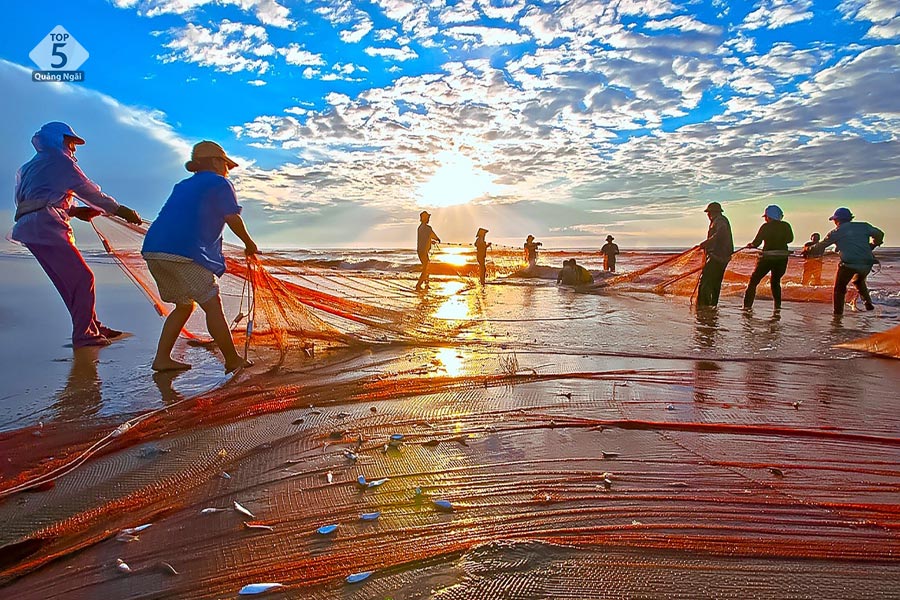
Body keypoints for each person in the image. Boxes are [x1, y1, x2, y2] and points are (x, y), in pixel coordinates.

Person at [11, 122, 143, 348]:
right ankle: (85, 334)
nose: (73, 148)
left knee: (68, 281)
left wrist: (73, 211)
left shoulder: (30, 166)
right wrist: (121, 211)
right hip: (46, 227)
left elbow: (35, 199)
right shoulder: (60, 162)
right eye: (70, 142)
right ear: (57, 140)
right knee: (83, 279)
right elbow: (91, 192)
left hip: (29, 228)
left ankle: (91, 325)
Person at [142, 141, 258, 372]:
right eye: (226, 164)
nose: (227, 169)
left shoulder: (183, 185)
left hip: (153, 250)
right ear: (216, 162)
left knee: (184, 306)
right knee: (212, 306)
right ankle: (232, 360)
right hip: (184, 252)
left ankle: (162, 359)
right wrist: (249, 243)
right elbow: (231, 217)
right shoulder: (220, 182)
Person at [809, 207, 884, 315]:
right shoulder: (864, 226)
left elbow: (821, 246)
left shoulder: (836, 232)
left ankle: (837, 314)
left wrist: (807, 250)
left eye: (834, 220)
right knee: (857, 281)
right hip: (866, 264)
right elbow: (880, 234)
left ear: (837, 220)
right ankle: (868, 303)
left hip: (849, 265)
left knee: (839, 288)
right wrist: (874, 244)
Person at [742, 205, 793, 310]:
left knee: (753, 282)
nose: (765, 219)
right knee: (775, 282)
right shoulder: (786, 226)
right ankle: (777, 307)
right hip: (782, 258)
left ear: (769, 216)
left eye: (766, 217)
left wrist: (751, 245)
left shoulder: (765, 227)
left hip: (767, 258)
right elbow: (790, 239)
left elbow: (757, 243)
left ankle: (747, 307)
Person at [696, 202, 734, 307]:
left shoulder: (720, 221)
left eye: (709, 212)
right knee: (715, 282)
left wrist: (707, 243)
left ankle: (704, 306)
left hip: (718, 257)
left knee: (706, 281)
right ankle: (712, 305)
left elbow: (720, 233)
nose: (708, 215)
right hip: (721, 256)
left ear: (713, 212)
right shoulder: (719, 220)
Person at [415, 210, 441, 290]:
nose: (429, 219)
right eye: (428, 217)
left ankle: (426, 283)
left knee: (427, 266)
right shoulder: (427, 228)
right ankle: (419, 284)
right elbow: (432, 235)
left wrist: (431, 241)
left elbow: (425, 238)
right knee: (426, 267)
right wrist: (437, 239)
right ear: (425, 218)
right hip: (423, 251)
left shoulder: (420, 228)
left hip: (420, 250)